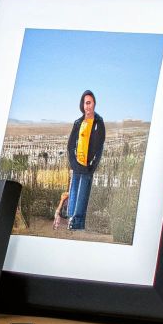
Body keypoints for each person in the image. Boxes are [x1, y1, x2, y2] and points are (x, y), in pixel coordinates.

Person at [64, 90, 104, 232]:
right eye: (85, 103)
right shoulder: (78, 123)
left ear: (94, 104)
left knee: (82, 196)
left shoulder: (99, 123)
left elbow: (100, 148)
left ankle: (78, 224)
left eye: (89, 103)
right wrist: (73, 163)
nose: (87, 106)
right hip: (77, 165)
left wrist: (92, 166)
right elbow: (70, 146)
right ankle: (70, 220)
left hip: (87, 167)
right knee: (74, 193)